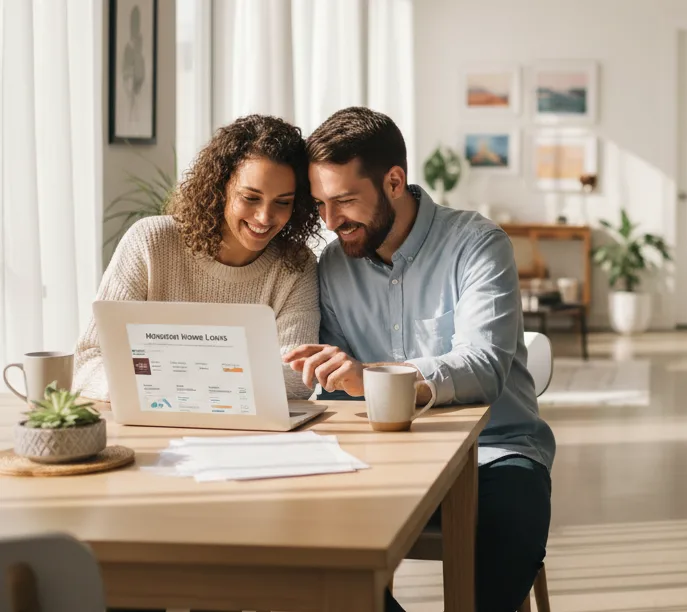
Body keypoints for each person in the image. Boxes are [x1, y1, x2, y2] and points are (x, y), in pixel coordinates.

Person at [282, 107, 556, 612]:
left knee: (506, 538)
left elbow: (484, 366)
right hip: (382, 459)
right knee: (313, 560)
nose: (330, 221)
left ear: (393, 182)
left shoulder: (477, 244)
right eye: (320, 203)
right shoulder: (334, 265)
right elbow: (338, 389)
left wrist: (375, 377)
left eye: (345, 200)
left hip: (494, 455)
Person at [74, 114, 322, 402]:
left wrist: (166, 379)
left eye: (283, 202)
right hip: (153, 416)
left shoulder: (295, 264)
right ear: (220, 187)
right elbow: (89, 360)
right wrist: (204, 384)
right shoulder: (151, 242)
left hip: (243, 425)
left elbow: (297, 376)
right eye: (250, 198)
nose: (265, 217)